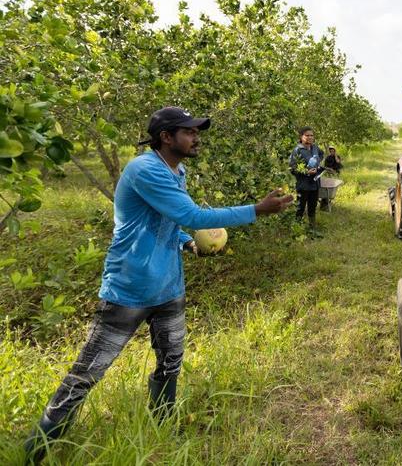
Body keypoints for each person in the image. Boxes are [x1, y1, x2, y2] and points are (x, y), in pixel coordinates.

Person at [24, 107, 293, 463]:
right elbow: (192, 215)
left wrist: (185, 242)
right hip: (129, 290)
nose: (197, 137)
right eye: (189, 131)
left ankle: (160, 430)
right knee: (86, 375)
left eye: (197, 131)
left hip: (168, 289)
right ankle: (33, 452)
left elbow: (170, 219)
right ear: (166, 137)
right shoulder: (144, 169)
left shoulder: (175, 170)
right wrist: (256, 210)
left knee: (170, 362)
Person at [289, 126, 324, 236]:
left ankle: (312, 229)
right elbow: (292, 168)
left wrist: (317, 165)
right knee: (300, 207)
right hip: (303, 184)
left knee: (312, 207)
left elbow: (321, 154)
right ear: (301, 137)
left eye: (311, 135)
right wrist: (306, 172)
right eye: (307, 135)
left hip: (315, 183)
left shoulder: (315, 148)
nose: (309, 137)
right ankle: (296, 231)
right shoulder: (297, 150)